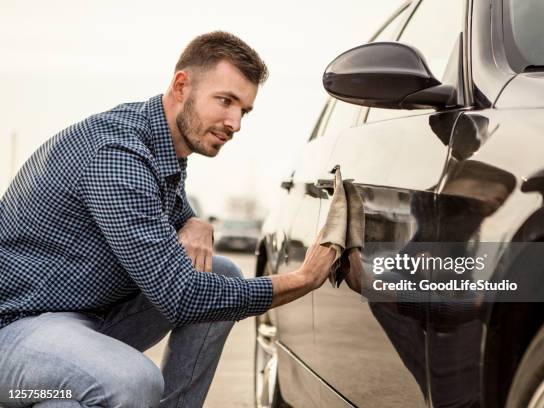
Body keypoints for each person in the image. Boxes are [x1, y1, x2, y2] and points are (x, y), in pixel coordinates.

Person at [0, 31, 335, 408]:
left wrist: (195, 221)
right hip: (15, 330)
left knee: (220, 272)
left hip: (84, 323)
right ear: (181, 86)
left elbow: (170, 223)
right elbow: (180, 297)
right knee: (131, 382)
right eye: (225, 101)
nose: (235, 122)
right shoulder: (117, 154)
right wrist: (301, 280)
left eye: (244, 110)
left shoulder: (163, 147)